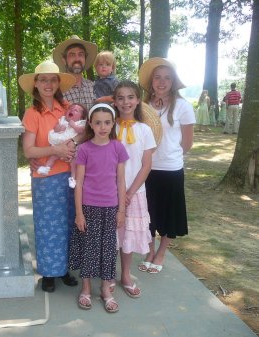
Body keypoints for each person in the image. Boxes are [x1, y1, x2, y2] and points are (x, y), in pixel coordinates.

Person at [19, 60, 79, 292]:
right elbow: (29, 150)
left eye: (53, 79)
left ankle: (63, 269)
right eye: (43, 79)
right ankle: (48, 273)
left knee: (66, 224)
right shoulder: (33, 113)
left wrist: (71, 147)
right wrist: (56, 150)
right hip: (45, 180)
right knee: (47, 226)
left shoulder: (67, 107)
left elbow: (78, 134)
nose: (48, 84)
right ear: (36, 83)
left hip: (68, 176)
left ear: (58, 83)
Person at [69, 103, 128, 313]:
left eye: (107, 122)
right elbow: (79, 183)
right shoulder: (84, 149)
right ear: (91, 125)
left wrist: (121, 210)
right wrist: (79, 213)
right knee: (89, 248)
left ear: (113, 124)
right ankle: (85, 287)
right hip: (89, 207)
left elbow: (121, 182)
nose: (102, 127)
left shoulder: (118, 147)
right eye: (98, 123)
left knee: (108, 250)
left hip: (111, 207)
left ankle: (105, 289)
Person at [138, 57, 195, 274]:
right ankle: (150, 250)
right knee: (148, 214)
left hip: (171, 169)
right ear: (151, 81)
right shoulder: (142, 107)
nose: (162, 82)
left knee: (170, 214)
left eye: (167, 78)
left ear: (173, 81)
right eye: (157, 77)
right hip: (147, 169)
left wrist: (169, 154)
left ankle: (161, 253)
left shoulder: (183, 106)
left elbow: (187, 143)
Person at [113, 81, 156, 298]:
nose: (125, 102)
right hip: (110, 192)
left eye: (130, 97)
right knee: (111, 235)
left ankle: (126, 274)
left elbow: (146, 164)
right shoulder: (109, 127)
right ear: (115, 101)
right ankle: (108, 274)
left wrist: (129, 192)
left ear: (138, 100)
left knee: (127, 235)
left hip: (135, 193)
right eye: (120, 97)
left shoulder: (145, 130)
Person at [37, 103, 87, 189]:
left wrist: (74, 126)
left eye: (76, 110)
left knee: (74, 163)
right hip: (59, 145)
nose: (72, 110)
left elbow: (82, 132)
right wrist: (58, 128)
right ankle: (46, 168)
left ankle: (72, 178)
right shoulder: (63, 120)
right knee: (52, 157)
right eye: (70, 108)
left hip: (72, 149)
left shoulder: (81, 123)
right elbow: (55, 128)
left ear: (81, 117)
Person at [53, 35, 98, 110]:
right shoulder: (57, 90)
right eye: (72, 55)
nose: (77, 59)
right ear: (64, 60)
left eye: (81, 54)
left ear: (85, 59)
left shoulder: (93, 87)